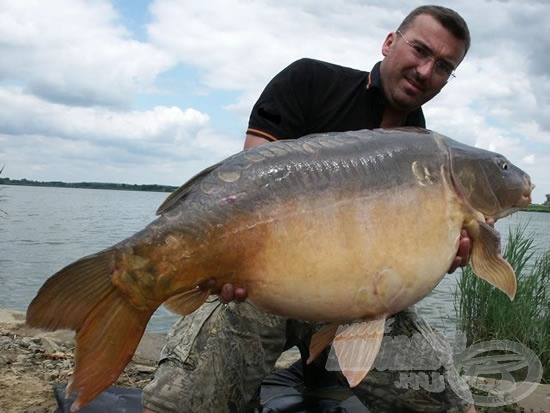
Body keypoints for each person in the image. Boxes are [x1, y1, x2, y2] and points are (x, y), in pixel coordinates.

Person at [143, 5, 478, 412]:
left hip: (358, 309)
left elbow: (402, 260)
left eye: (444, 66)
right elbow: (247, 184)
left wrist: (444, 252)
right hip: (259, 292)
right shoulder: (310, 81)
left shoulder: (428, 152)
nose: (426, 71)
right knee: (177, 406)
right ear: (390, 42)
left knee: (450, 406)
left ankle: (320, 373)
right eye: (420, 50)